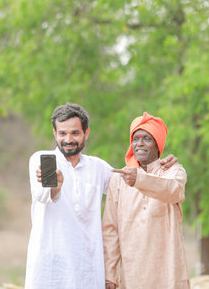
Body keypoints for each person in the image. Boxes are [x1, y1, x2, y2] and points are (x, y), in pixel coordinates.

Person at [25, 103, 177, 289]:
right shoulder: (43, 160)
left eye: (75, 133)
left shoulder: (97, 167)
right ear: (54, 133)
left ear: (86, 133)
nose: (68, 139)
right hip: (50, 269)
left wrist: (159, 166)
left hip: (88, 269)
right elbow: (43, 195)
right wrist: (56, 186)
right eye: (62, 133)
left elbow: (131, 184)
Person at [102, 112, 190, 289]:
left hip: (169, 273)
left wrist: (139, 180)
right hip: (133, 274)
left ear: (158, 144)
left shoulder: (173, 172)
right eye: (136, 138)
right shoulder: (119, 179)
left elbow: (173, 190)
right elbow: (111, 229)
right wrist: (110, 275)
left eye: (147, 138)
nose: (139, 144)